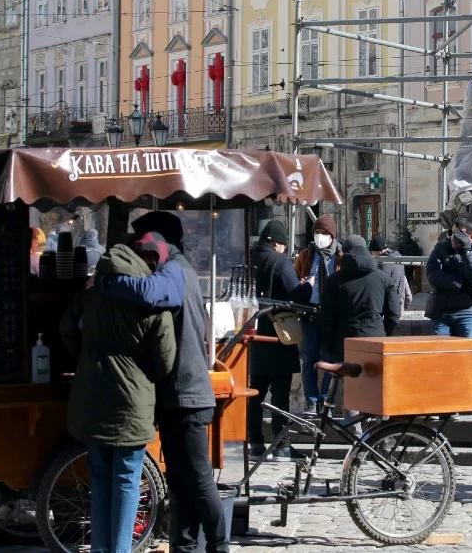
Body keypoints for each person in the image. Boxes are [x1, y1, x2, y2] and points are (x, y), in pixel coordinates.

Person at [97, 212, 225, 553]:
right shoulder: (177, 268)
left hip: (188, 395)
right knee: (181, 482)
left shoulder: (175, 271)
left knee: (197, 480)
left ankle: (220, 545)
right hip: (177, 394)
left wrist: (110, 284)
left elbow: (152, 293)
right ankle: (184, 547)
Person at [61, 236, 177, 553]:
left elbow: (67, 330)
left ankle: (100, 548)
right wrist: (145, 374)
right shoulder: (150, 296)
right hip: (133, 401)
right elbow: (166, 358)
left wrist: (85, 357)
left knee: (98, 477)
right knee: (127, 478)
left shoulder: (92, 293)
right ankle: (121, 549)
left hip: (91, 394)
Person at [250, 219, 312, 460]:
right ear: (278, 243)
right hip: (278, 333)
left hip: (256, 332)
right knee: (280, 393)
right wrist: (308, 287)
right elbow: (295, 294)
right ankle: (282, 445)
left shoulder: (253, 259)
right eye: (284, 246)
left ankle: (255, 443)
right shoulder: (279, 262)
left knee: (255, 392)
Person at [321, 235, 401, 362]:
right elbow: (394, 314)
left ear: (344, 253)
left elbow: (327, 318)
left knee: (345, 381)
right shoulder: (383, 278)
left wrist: (330, 346)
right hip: (376, 342)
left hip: (345, 344)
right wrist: (383, 333)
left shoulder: (334, 280)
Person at [293, 214, 342, 411]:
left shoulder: (340, 256)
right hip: (310, 314)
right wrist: (302, 285)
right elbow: (294, 278)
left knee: (330, 360)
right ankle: (311, 402)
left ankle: (326, 401)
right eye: (317, 232)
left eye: (324, 233)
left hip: (331, 316)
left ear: (332, 236)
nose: (319, 237)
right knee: (309, 360)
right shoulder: (306, 255)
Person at [426, 216, 472, 338]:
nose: (453, 237)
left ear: (471, 237)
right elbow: (432, 274)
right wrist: (459, 284)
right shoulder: (441, 249)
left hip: (470, 312)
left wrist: (467, 253)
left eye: (459, 235)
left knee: (467, 351)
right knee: (438, 353)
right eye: (452, 232)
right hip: (442, 311)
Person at [370, 235, 413, 317]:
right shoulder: (398, 258)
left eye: (372, 252)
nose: (372, 255)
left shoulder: (384, 264)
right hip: (398, 304)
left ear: (378, 251)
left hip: (386, 308)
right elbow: (404, 281)